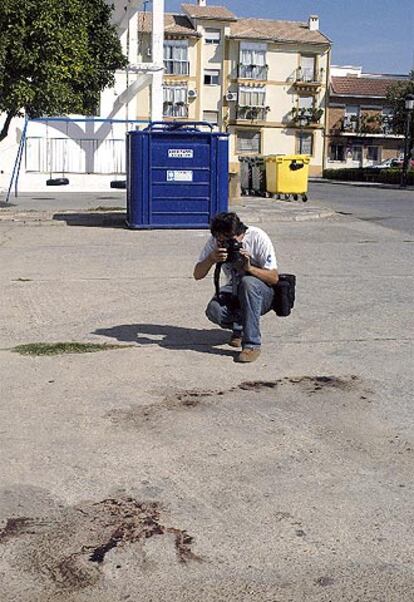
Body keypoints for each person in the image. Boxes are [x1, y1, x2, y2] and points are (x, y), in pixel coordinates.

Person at [193, 212, 278, 363]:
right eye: (221, 241)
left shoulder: (258, 237)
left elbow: (273, 278)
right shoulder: (215, 242)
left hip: (261, 291)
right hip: (234, 289)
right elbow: (197, 274)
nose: (226, 245)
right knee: (214, 310)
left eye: (230, 241)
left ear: (241, 234)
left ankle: (252, 345)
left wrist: (250, 268)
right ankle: (239, 328)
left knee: (247, 283)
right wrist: (211, 259)